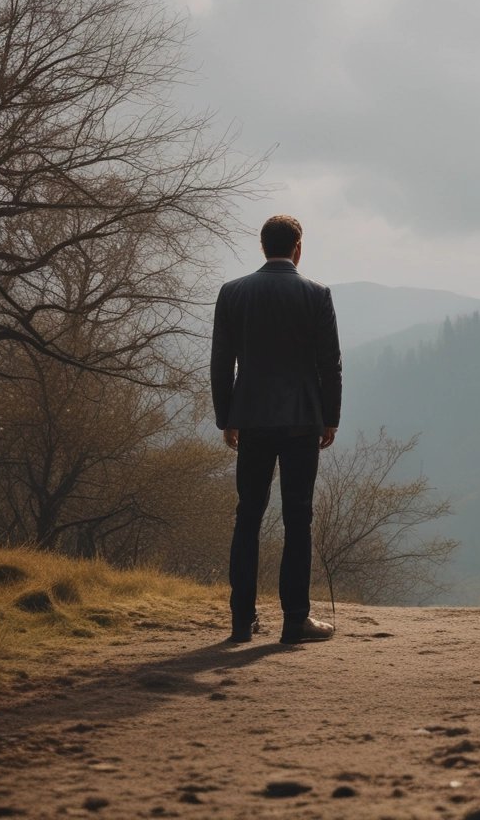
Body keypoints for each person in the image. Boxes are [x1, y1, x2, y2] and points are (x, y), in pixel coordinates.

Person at [210, 215, 342, 645]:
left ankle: (241, 620)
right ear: (298, 247)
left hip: (250, 418)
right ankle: (294, 621)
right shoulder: (316, 295)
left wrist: (226, 417)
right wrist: (331, 416)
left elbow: (220, 362)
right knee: (297, 519)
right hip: (302, 420)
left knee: (247, 516)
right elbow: (330, 364)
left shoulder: (233, 293)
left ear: (262, 245)